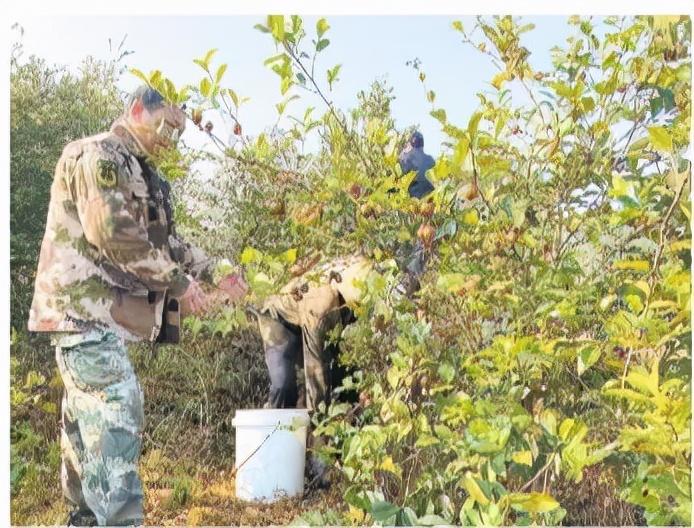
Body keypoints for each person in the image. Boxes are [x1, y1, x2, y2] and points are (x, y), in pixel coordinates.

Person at [28, 86, 247, 526]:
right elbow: (113, 234)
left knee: (84, 428)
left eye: (180, 132)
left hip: (98, 319)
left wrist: (218, 270)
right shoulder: (99, 155)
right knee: (117, 411)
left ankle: (85, 519)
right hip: (82, 312)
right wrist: (182, 287)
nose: (172, 137)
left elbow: (167, 243)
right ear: (135, 111)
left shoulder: (142, 173)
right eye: (167, 125)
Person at [257, 130, 435, 414]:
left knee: (345, 384)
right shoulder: (322, 301)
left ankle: (330, 446)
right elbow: (316, 373)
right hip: (279, 320)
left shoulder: (355, 279)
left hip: (323, 320)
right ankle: (286, 450)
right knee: (285, 386)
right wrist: (321, 425)